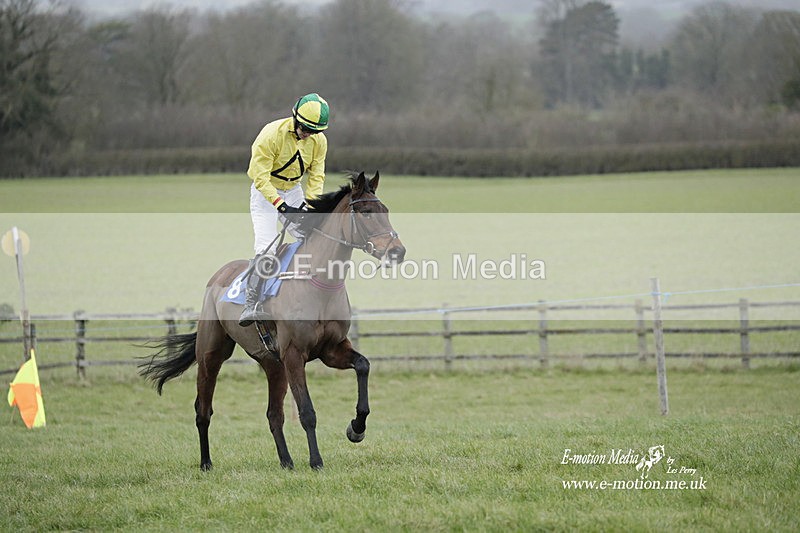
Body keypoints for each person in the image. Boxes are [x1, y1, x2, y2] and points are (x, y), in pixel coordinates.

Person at [239, 93, 330, 327]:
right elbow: (259, 177)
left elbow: (316, 176)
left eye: (315, 131)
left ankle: (316, 293)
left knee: (314, 237)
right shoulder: (271, 135)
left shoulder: (319, 142)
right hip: (265, 193)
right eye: (306, 129)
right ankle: (251, 303)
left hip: (294, 190)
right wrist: (280, 205)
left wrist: (312, 207)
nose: (309, 134)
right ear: (296, 119)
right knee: (267, 247)